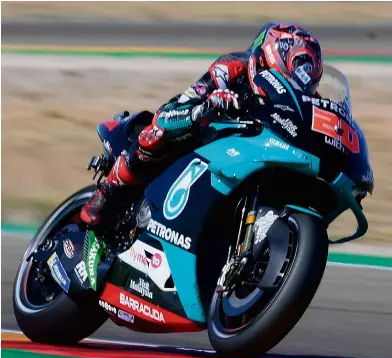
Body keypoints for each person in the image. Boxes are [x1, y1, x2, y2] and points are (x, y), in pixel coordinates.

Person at [80, 22, 324, 232]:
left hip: (240, 153)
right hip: (196, 122)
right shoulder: (234, 66)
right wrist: (212, 103)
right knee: (158, 130)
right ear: (276, 51)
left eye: (310, 73)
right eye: (300, 65)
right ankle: (107, 193)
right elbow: (186, 101)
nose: (304, 76)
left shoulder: (300, 101)